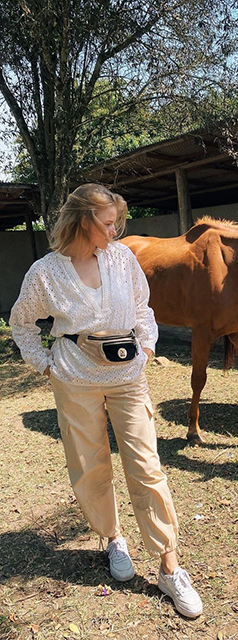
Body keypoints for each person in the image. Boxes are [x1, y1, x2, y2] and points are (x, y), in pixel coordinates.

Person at [9, 183, 202, 619]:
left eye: (117, 222)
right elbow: (21, 323)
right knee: (90, 464)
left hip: (128, 379)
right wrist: (45, 365)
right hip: (74, 382)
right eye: (109, 223)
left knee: (147, 465)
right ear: (84, 221)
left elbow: (142, 310)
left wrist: (147, 348)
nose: (116, 231)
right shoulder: (45, 273)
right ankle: (113, 537)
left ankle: (169, 565)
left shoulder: (122, 259)